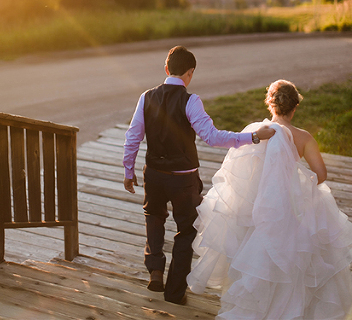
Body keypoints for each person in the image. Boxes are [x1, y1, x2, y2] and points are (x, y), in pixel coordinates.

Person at [122, 45, 275, 305]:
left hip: (154, 174)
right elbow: (212, 137)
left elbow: (133, 136)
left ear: (166, 69)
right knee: (186, 230)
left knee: (154, 217)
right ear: (190, 73)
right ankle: (174, 292)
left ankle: (155, 269)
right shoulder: (190, 101)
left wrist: (128, 170)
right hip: (183, 179)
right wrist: (253, 137)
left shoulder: (146, 97)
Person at [188, 80, 352, 319]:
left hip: (255, 207)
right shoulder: (304, 137)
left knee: (256, 254)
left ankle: (255, 302)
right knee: (292, 252)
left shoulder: (255, 132)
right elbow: (321, 174)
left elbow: (239, 174)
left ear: (270, 104)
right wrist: (295, 186)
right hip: (287, 208)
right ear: (295, 107)